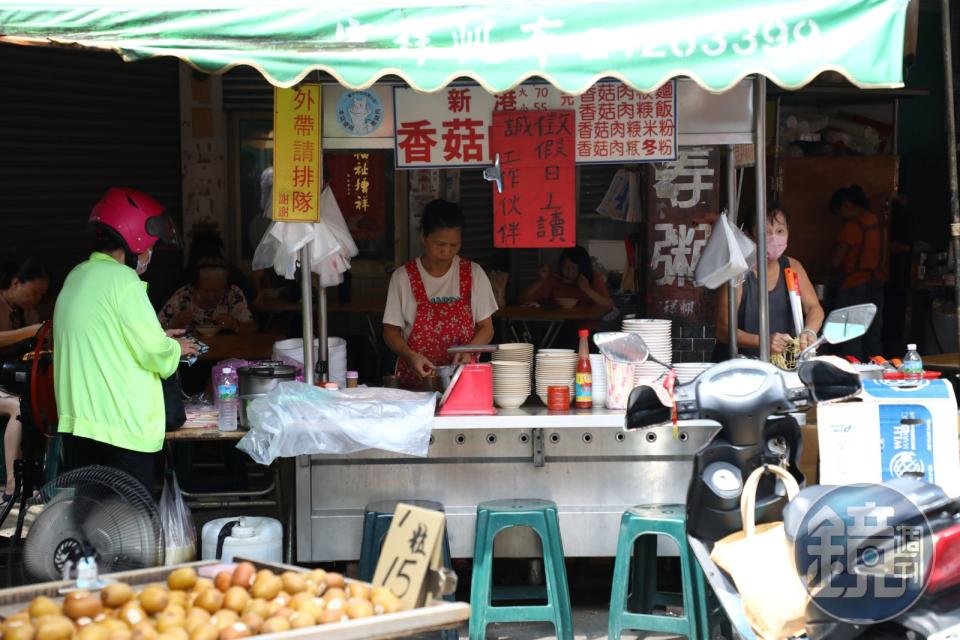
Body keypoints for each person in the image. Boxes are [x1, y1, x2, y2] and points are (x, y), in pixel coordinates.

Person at [54, 187, 198, 493]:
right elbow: (153, 352)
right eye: (151, 247)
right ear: (135, 239)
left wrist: (157, 338)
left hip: (80, 424)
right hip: (121, 428)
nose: (150, 254)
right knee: (129, 522)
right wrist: (174, 347)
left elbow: (103, 336)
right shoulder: (125, 281)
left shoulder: (77, 276)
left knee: (90, 519)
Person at [383, 199, 498, 388]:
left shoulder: (473, 273)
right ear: (423, 235)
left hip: (463, 379)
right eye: (440, 244)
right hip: (415, 381)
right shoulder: (402, 277)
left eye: (454, 245)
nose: (446, 251)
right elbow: (390, 332)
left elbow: (487, 328)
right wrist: (411, 356)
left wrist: (469, 351)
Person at [715, 206, 825, 360]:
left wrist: (810, 331)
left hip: (782, 368)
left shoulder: (793, 266)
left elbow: (814, 307)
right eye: (765, 232)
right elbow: (722, 329)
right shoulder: (736, 271)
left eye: (780, 231)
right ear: (749, 235)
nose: (774, 238)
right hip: (739, 366)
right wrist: (763, 341)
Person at [0, 259, 49, 502]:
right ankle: (12, 485)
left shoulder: (27, 311)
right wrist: (31, 331)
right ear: (15, 283)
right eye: (33, 292)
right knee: (17, 407)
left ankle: (41, 477)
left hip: (10, 378)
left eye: (41, 294)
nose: (36, 299)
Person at [829, 185, 886, 360]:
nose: (840, 218)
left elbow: (836, 260)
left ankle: (852, 371)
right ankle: (877, 369)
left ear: (847, 205)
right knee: (872, 333)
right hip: (874, 283)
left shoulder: (852, 227)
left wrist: (826, 274)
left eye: (839, 212)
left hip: (853, 285)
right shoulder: (874, 221)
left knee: (850, 333)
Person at [158, 258, 257, 335]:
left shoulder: (233, 294)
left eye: (217, 291)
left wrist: (234, 324)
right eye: (206, 291)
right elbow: (155, 330)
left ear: (226, 288)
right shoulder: (182, 296)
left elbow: (251, 328)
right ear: (195, 287)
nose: (211, 296)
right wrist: (175, 323)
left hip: (227, 353)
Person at [519, 246, 614, 309]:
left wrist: (587, 289)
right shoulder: (556, 278)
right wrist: (540, 280)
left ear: (582, 269)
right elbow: (523, 299)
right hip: (558, 325)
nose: (569, 272)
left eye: (574, 268)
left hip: (588, 328)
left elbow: (609, 305)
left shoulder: (593, 277)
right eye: (565, 267)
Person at [184, 223, 257, 305]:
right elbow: (254, 298)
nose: (211, 296)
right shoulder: (231, 272)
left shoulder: (186, 275)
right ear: (218, 249)